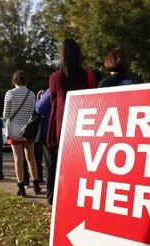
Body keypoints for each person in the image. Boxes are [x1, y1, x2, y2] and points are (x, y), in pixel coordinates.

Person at [46, 38, 96, 205]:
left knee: (55, 165)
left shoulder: (55, 77)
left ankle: (53, 197)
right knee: (77, 165)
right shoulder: (87, 76)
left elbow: (53, 100)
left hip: (61, 127)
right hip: (81, 126)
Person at [3, 70, 41, 196]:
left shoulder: (9, 94)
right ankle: (36, 185)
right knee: (31, 157)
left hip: (14, 129)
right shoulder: (31, 94)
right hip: (28, 129)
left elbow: (6, 114)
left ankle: (21, 187)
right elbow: (32, 112)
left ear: (14, 81)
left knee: (18, 158)